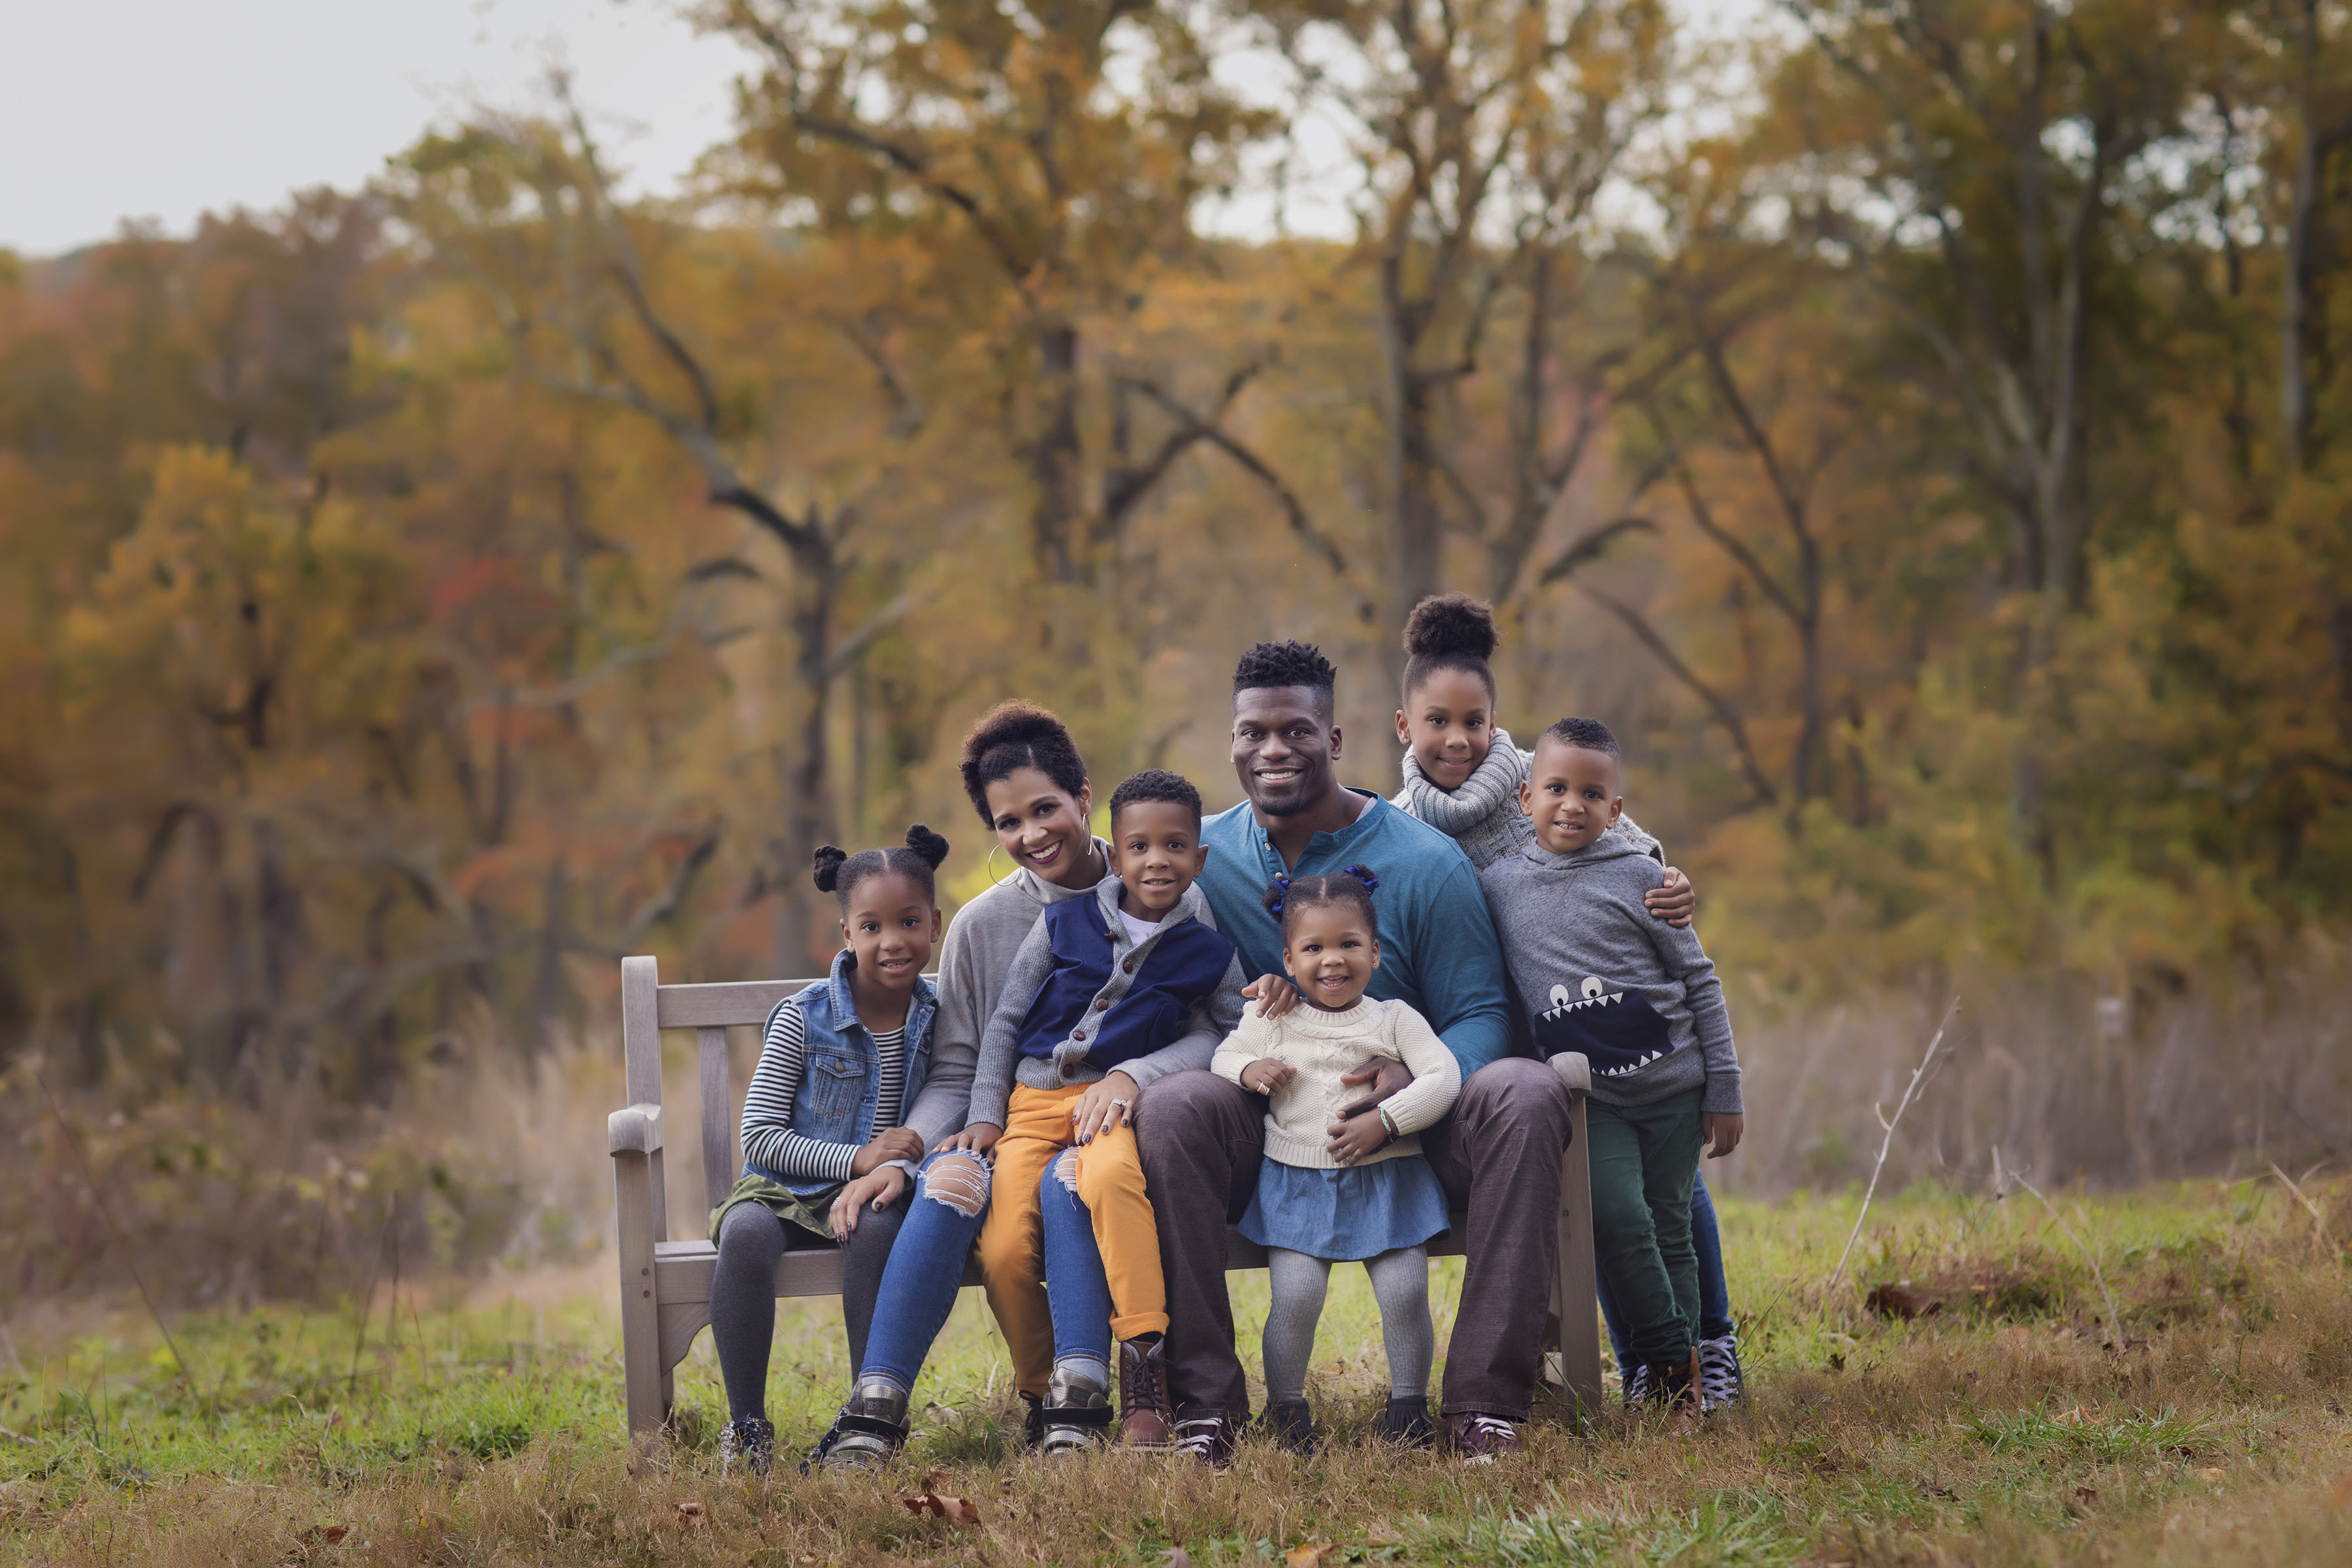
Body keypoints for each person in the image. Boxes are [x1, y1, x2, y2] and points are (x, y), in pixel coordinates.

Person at [1139, 640, 1556, 1464]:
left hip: (1418, 1129)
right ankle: (1207, 1410)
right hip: (1274, 1126)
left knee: (1527, 1092)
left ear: (1334, 742)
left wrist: (1412, 1080)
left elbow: (1480, 1013)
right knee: (1176, 1104)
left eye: (1296, 731)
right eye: (1251, 733)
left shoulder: (1423, 863)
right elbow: (1100, 872)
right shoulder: (1202, 860)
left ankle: (1481, 1405)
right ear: (1231, 741)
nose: (1272, 751)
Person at [1393, 592, 1742, 1407]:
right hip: (1523, 1038)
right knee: (1606, 1205)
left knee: (1668, 1196)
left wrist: (1672, 881)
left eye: (1473, 721)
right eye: (1437, 721)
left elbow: (1633, 854)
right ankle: (1651, 1364)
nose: (1457, 740)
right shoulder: (1405, 825)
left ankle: (1706, 1349)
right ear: (1404, 726)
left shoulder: (1544, 782)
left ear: (1495, 721)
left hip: (1629, 1032)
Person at [953, 768, 1247, 1451]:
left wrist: (1134, 1074)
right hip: (1030, 1104)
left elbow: (1231, 1028)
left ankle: (1145, 1373)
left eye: (1176, 847)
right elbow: (1004, 1021)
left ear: (1199, 860)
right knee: (1001, 1248)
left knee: (1114, 1182)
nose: (1157, 861)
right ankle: (1044, 1391)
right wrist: (987, 1114)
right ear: (1115, 853)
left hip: (1107, 1106)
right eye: (1139, 846)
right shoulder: (1061, 923)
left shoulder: (1206, 946)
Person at [1479, 718, 1744, 1424]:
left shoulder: (1644, 879)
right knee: (1618, 1219)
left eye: (1593, 794)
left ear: (1617, 812)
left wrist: (1725, 1091)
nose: (1573, 805)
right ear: (1525, 799)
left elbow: (1701, 983)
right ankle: (1667, 1359)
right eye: (1558, 789)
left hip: (1674, 1093)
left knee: (1670, 1226)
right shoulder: (1498, 888)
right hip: (1592, 1102)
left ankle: (1681, 1382)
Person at [707, 827, 955, 1475]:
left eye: (908, 922)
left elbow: (952, 1103)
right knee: (744, 1235)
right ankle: (747, 1428)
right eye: (871, 926)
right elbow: (758, 1136)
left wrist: (883, 1170)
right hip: (783, 1190)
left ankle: (865, 1422)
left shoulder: (942, 1017)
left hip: (874, 1197)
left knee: (879, 1232)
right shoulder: (803, 1016)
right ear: (847, 935)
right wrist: (856, 1159)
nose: (892, 940)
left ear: (935, 923)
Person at [1210, 866, 1460, 1452]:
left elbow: (1444, 1077)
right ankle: (1287, 1411)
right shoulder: (1270, 1019)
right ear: (1289, 959)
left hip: (1389, 1177)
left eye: (1349, 944)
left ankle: (1408, 1409)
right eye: (1314, 947)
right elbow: (1224, 1056)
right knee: (1296, 1298)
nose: (1333, 961)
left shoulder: (1393, 1018)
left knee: (1404, 1291)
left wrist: (1388, 1120)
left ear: (1375, 951)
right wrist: (1249, 1070)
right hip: (1296, 1182)